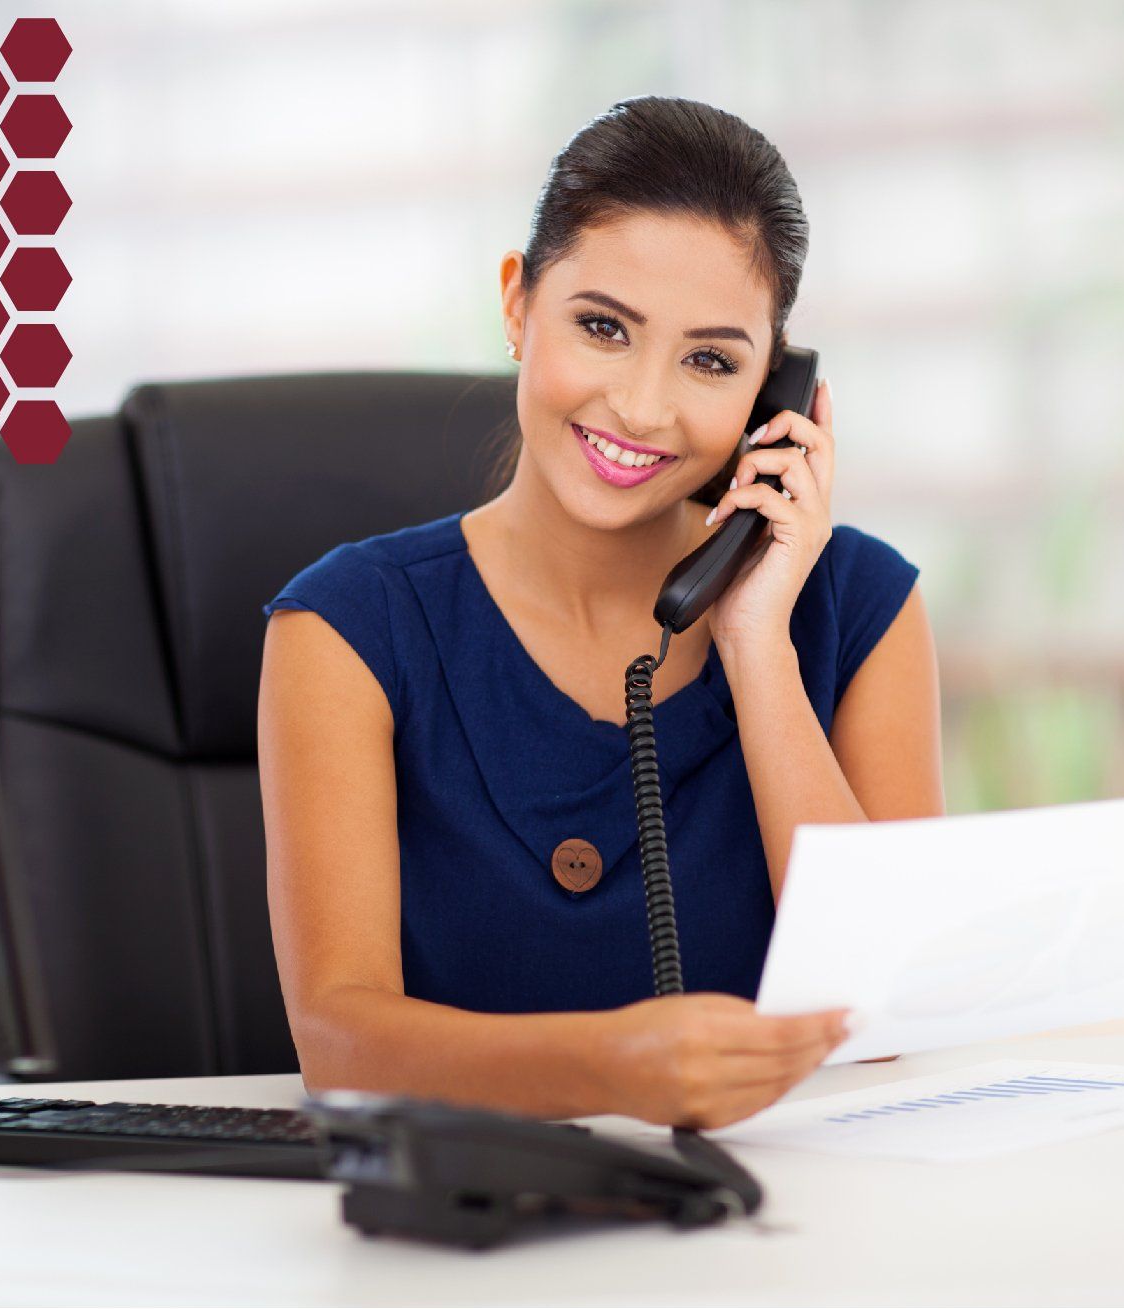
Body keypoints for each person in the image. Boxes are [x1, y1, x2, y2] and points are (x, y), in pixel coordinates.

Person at [257, 96, 944, 1132]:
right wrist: (612, 1066)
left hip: (788, 1211)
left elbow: (890, 1013)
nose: (641, 406)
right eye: (603, 328)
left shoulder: (859, 605)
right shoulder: (347, 626)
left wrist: (756, 642)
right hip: (474, 1214)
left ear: (775, 395)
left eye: (710, 360)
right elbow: (338, 1043)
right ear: (516, 304)